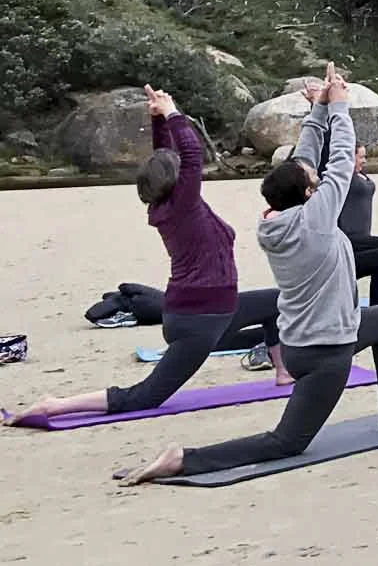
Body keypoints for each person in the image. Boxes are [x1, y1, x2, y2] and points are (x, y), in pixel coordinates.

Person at [116, 65, 378, 484]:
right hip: (326, 352)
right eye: (314, 182)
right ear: (307, 194)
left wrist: (319, 109)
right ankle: (183, 458)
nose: (319, 182)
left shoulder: (277, 221)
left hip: (299, 341)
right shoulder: (317, 221)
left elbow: (302, 159)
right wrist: (340, 107)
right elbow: (339, 160)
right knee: (286, 442)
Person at [4, 84, 283, 427]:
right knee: (145, 397)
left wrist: (157, 121)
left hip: (209, 307)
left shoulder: (168, 202)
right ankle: (55, 404)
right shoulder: (185, 206)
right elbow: (192, 154)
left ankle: (283, 372)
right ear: (177, 180)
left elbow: (165, 158)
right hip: (200, 318)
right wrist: (172, 112)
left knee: (277, 304)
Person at [334, 140, 378, 310]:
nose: (364, 161)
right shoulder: (342, 178)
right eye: (360, 157)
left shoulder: (360, 175)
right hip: (348, 236)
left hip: (362, 235)